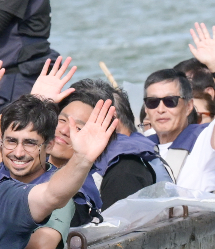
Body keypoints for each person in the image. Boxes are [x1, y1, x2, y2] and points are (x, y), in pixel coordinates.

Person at [0, 98, 118, 249]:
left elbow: (44, 245)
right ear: (1, 141)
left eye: (30, 143)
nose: (18, 153)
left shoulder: (62, 193)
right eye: (11, 141)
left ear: (50, 145)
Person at [143, 23, 215, 193]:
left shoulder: (205, 140)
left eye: (170, 101)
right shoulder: (142, 147)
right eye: (153, 102)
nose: (160, 109)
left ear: (188, 107)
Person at [49, 80, 171, 211]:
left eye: (78, 127)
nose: (63, 130)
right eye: (61, 120)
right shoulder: (39, 153)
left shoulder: (125, 170)